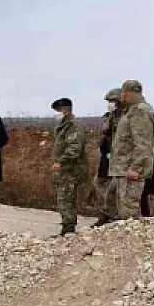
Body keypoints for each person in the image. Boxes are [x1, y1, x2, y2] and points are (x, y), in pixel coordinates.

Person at [107, 79, 154, 220]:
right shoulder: (131, 111)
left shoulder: (140, 112)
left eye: (123, 93)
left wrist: (136, 168)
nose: (122, 96)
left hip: (130, 170)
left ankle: (134, 241)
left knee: (129, 215)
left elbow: (143, 143)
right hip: (122, 169)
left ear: (128, 93)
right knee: (120, 212)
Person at [49, 98, 89, 235]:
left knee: (65, 199)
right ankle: (67, 227)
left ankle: (68, 229)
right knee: (65, 199)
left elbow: (74, 149)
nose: (57, 113)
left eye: (58, 110)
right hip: (65, 170)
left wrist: (60, 161)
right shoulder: (64, 125)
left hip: (71, 170)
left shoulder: (73, 126)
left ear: (65, 109)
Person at [92, 88, 125, 226]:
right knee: (99, 181)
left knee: (114, 188)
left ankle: (109, 213)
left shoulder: (125, 117)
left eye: (112, 101)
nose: (110, 104)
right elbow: (106, 136)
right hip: (108, 158)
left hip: (120, 160)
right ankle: (111, 211)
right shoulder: (112, 117)